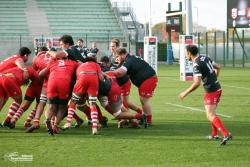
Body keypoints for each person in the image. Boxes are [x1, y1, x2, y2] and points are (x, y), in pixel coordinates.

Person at [178, 45, 232, 145]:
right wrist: (215, 78)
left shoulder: (196, 64)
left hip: (211, 91)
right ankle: (214, 134)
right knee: (212, 113)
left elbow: (197, 83)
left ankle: (226, 134)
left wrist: (185, 93)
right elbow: (218, 67)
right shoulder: (205, 57)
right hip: (218, 88)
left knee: (210, 115)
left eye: (186, 53)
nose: (186, 56)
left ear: (189, 53)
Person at [111, 48, 158, 128]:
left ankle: (148, 120)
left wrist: (106, 73)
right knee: (143, 100)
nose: (116, 59)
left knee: (144, 99)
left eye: (117, 57)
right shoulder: (129, 59)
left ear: (123, 55)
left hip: (149, 79)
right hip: (147, 79)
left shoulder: (128, 60)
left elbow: (120, 72)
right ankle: (144, 118)